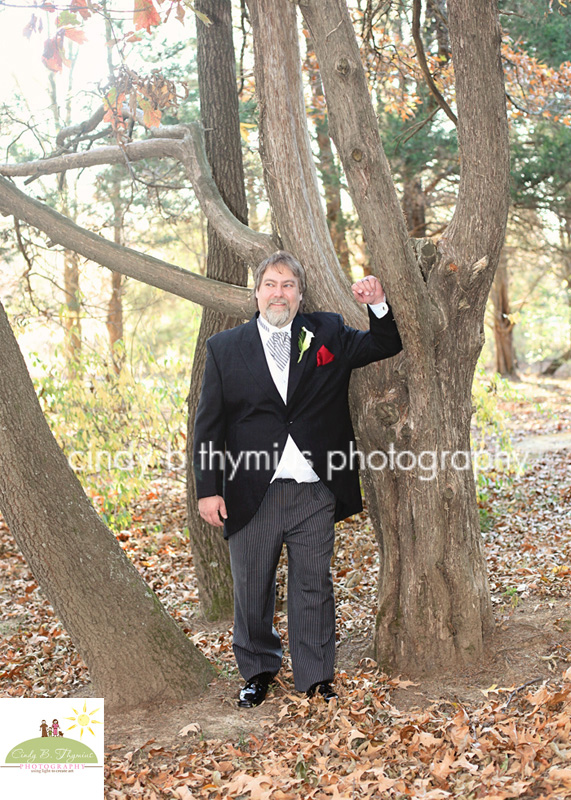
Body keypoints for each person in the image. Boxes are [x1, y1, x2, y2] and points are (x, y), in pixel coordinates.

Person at [193, 251, 402, 707]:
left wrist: (379, 303)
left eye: (288, 285)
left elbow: (384, 344)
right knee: (251, 588)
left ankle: (315, 677)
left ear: (300, 294)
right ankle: (258, 670)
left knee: (313, 586)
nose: (279, 292)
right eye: (270, 284)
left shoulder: (326, 333)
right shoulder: (225, 348)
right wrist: (207, 489)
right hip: (251, 491)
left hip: (314, 491)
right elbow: (207, 425)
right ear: (256, 293)